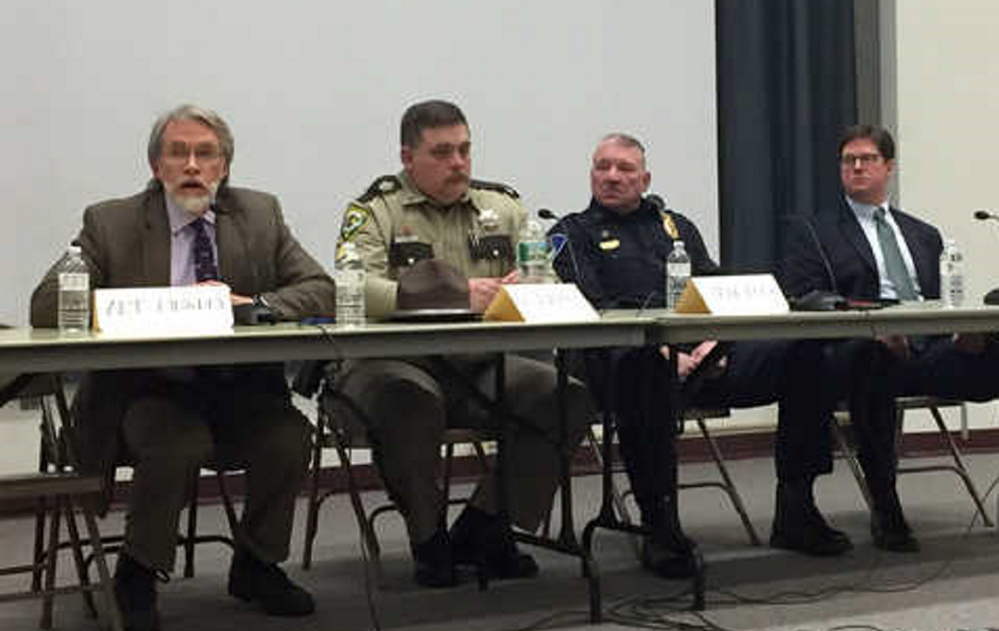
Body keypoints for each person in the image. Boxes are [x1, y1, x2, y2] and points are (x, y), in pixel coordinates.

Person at [30, 104, 334, 630]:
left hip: (237, 392)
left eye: (206, 153)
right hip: (142, 394)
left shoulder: (260, 214)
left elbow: (319, 290)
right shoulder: (111, 221)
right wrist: (148, 306)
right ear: (156, 167)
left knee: (289, 436)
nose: (192, 165)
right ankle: (138, 572)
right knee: (177, 441)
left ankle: (256, 565)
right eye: (178, 153)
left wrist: (251, 304)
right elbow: (46, 305)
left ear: (225, 167)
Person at [550, 133, 852, 578]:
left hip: (704, 357)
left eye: (624, 169)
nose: (611, 177)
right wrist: (668, 349)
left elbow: (714, 289)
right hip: (625, 361)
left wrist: (717, 339)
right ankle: (660, 526)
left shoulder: (676, 226)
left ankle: (796, 509)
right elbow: (593, 308)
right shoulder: (570, 231)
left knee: (802, 353)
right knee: (645, 366)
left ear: (645, 178)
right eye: (602, 167)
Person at [332, 99, 594, 588]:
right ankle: (428, 540)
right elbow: (353, 287)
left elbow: (551, 279)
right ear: (408, 158)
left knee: (565, 395)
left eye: (465, 150)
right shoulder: (375, 211)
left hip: (480, 364)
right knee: (410, 401)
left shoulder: (503, 206)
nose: (459, 163)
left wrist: (533, 288)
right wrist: (455, 293)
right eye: (443, 152)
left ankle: (485, 525)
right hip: (394, 363)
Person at [782, 123, 999, 552]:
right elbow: (803, 297)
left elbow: (937, 304)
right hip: (863, 353)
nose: (857, 167)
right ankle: (886, 504)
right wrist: (873, 329)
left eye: (867, 159)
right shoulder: (815, 230)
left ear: (889, 167)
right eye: (849, 160)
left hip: (930, 352)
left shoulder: (923, 233)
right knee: (873, 359)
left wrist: (961, 335)